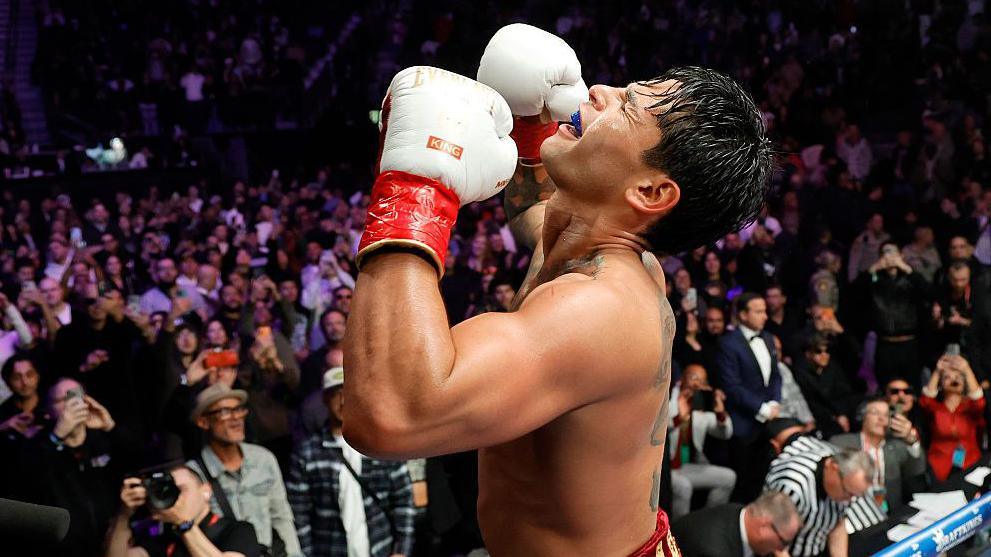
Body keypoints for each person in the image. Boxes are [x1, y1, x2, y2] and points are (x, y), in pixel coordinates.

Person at [343, 24, 771, 556]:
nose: (600, 90)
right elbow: (535, 210)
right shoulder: (593, 241)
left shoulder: (598, 309)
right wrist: (529, 134)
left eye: (628, 106)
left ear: (650, 192)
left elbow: (392, 415)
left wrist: (413, 191)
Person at [287, 367, 415, 557]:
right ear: (324, 399)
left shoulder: (381, 443)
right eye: (336, 394)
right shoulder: (307, 453)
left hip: (381, 548)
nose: (344, 400)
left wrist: (401, 550)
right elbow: (299, 514)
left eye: (350, 392)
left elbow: (404, 499)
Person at [187, 383, 303, 557]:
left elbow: (281, 516)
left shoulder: (263, 459)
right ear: (203, 422)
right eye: (224, 412)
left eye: (239, 409)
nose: (236, 418)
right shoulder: (192, 475)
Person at [105, 465, 260, 557]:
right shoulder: (163, 540)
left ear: (206, 491)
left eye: (181, 490)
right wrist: (124, 515)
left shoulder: (237, 530)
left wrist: (184, 524)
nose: (176, 499)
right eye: (168, 492)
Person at [717, 292, 782, 503]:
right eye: (759, 311)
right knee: (742, 483)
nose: (765, 316)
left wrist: (774, 402)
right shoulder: (728, 343)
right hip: (743, 424)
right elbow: (731, 385)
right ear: (743, 315)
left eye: (765, 311)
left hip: (767, 423)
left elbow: (775, 376)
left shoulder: (769, 339)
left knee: (762, 478)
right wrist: (762, 408)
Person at [764, 440, 873, 557]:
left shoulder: (846, 488)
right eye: (848, 493)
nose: (849, 500)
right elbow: (773, 539)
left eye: (854, 496)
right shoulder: (794, 487)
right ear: (832, 467)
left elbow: (837, 525)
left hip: (816, 548)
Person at [830, 397, 925, 512]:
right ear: (862, 417)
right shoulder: (841, 443)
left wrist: (911, 440)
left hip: (890, 513)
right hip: (853, 512)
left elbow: (916, 470)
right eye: (875, 413)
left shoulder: (896, 446)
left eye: (886, 415)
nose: (882, 419)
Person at [666, 364, 735, 518]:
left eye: (701, 381)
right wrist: (678, 419)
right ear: (682, 378)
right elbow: (659, 430)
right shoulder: (669, 397)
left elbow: (724, 433)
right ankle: (680, 532)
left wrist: (720, 413)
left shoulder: (700, 404)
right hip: (665, 468)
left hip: (686, 466)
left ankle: (704, 522)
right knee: (683, 486)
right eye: (693, 378)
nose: (696, 383)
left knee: (728, 478)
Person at [859, 242, 931, 388]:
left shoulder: (911, 277)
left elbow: (929, 293)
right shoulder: (873, 279)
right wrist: (872, 270)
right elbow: (854, 296)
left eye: (893, 253)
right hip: (885, 344)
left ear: (901, 255)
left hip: (909, 344)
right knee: (886, 387)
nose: (890, 258)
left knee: (912, 387)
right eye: (886, 253)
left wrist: (907, 269)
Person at [670, 490, 802, 557]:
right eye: (784, 542)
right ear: (764, 526)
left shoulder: (741, 512)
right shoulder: (714, 552)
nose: (782, 550)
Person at [918, 353, 986, 481]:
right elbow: (925, 401)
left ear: (965, 382)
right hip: (939, 467)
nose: (954, 380)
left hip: (971, 466)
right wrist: (938, 371)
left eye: (958, 377)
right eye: (947, 378)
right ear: (940, 384)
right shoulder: (935, 409)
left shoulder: (971, 408)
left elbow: (979, 401)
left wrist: (966, 369)